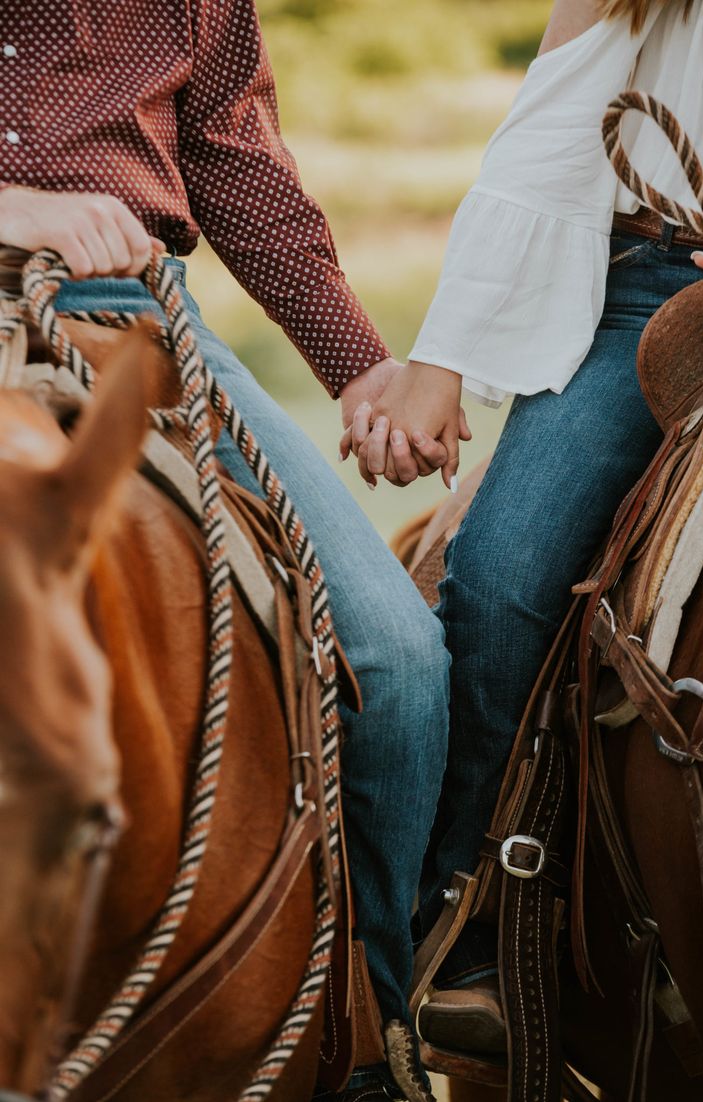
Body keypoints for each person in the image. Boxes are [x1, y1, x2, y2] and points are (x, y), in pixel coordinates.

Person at [0, 4, 450, 1098]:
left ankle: (367, 1027)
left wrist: (360, 369)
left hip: (135, 314)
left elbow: (233, 155)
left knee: (396, 661)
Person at [342, 0, 703, 1055]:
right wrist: (441, 359)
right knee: (505, 568)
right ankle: (467, 908)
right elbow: (552, 123)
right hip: (659, 289)